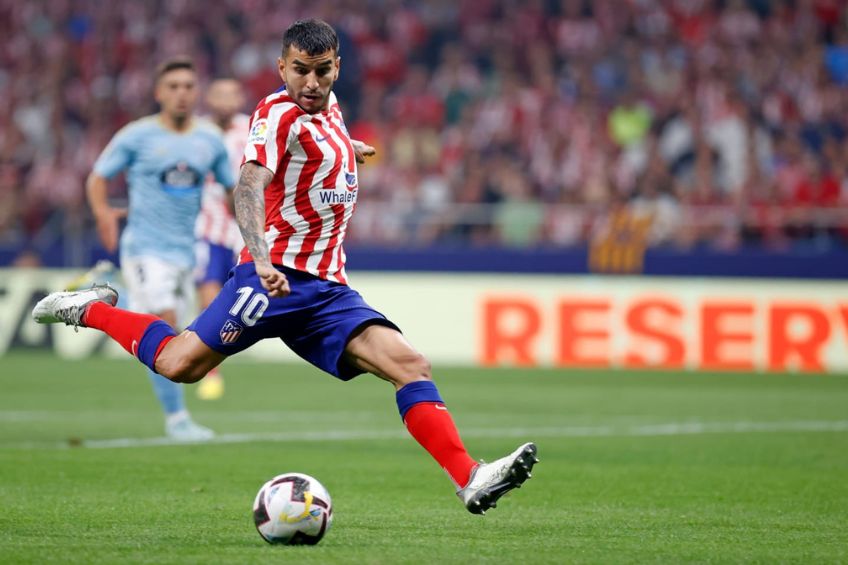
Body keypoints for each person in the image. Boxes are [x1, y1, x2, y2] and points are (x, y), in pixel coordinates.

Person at [33, 19, 537, 514]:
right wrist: (264, 258)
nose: (311, 83)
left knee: (410, 365)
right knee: (178, 364)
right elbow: (249, 185)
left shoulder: (331, 109)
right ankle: (89, 309)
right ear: (281, 66)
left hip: (328, 290)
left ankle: (469, 477)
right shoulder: (276, 115)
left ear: (337, 66)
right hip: (272, 280)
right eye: (300, 71)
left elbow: (321, 140)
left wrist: (347, 149)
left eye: (322, 71)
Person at [83, 57, 236, 441]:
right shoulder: (137, 136)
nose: (181, 93)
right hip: (145, 248)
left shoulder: (209, 140)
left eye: (188, 86)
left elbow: (234, 189)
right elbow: (98, 178)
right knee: (165, 324)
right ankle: (177, 420)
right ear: (158, 93)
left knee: (179, 341)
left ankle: (102, 288)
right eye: (173, 87)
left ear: (196, 92)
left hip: (187, 251)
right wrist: (103, 213)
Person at [193, 78, 251, 401]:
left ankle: (220, 346)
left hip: (243, 228)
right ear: (209, 98)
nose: (226, 101)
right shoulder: (198, 131)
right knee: (209, 293)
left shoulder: (251, 128)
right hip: (207, 226)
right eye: (219, 94)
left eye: (232, 94)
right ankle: (211, 369)